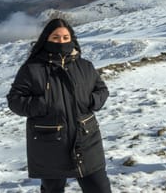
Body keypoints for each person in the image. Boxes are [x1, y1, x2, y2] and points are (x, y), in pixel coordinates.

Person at [7, 18, 111, 192]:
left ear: (72, 39)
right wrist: (44, 105)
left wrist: (91, 101)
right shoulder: (32, 69)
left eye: (65, 37)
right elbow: (15, 100)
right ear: (46, 39)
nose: (61, 41)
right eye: (55, 38)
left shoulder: (84, 66)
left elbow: (101, 90)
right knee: (52, 189)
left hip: (86, 138)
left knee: (99, 188)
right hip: (49, 141)